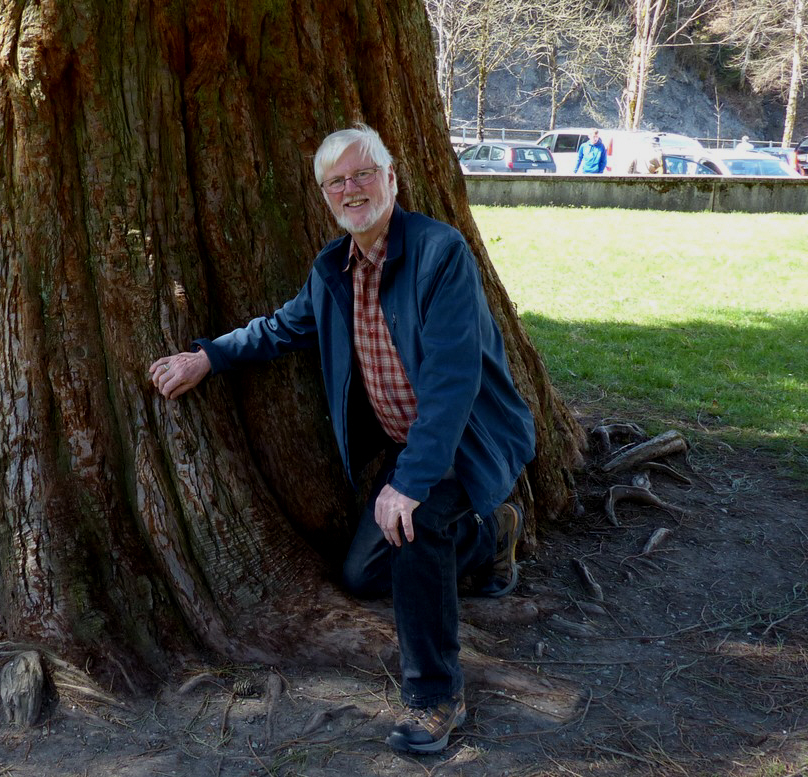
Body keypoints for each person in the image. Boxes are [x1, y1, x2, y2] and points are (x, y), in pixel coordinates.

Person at [149, 124, 536, 755]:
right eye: (337, 182)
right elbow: (280, 328)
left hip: (467, 440)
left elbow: (452, 382)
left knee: (412, 531)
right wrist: (206, 359)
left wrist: (410, 485)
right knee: (360, 573)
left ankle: (435, 695)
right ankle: (492, 536)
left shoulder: (441, 255)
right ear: (326, 197)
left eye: (363, 174)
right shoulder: (334, 269)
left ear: (391, 178)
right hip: (414, 453)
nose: (351, 189)